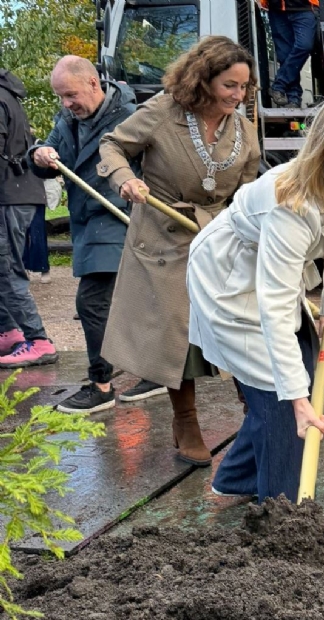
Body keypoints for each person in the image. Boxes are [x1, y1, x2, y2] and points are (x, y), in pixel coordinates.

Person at [187, 92, 324, 502]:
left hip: (268, 270)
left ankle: (235, 479)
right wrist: (300, 401)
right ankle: (281, 508)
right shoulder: (291, 205)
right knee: (279, 393)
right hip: (228, 278)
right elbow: (276, 309)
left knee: (300, 363)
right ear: (321, 150)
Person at [97, 36, 261, 465]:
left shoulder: (245, 131)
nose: (238, 95)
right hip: (163, 238)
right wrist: (125, 179)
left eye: (244, 86)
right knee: (179, 334)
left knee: (236, 326)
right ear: (203, 80)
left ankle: (257, 414)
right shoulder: (162, 112)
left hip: (217, 238)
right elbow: (112, 145)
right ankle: (185, 421)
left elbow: (247, 191)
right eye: (229, 85)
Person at [28, 55, 139, 413]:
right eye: (61, 96)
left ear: (93, 84)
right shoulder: (68, 119)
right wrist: (39, 154)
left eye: (70, 95)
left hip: (118, 219)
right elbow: (48, 157)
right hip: (87, 223)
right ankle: (156, 374)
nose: (66, 103)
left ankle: (101, 385)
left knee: (91, 302)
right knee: (133, 303)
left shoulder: (130, 117)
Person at [0, 69, 58, 369]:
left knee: (7, 269)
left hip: (9, 195)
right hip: (19, 192)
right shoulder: (7, 93)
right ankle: (9, 332)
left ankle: (38, 340)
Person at [267, 0, 319, 108]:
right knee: (284, 55)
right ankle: (293, 99)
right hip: (277, 9)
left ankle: (279, 84)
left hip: (304, 7)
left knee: (305, 45)